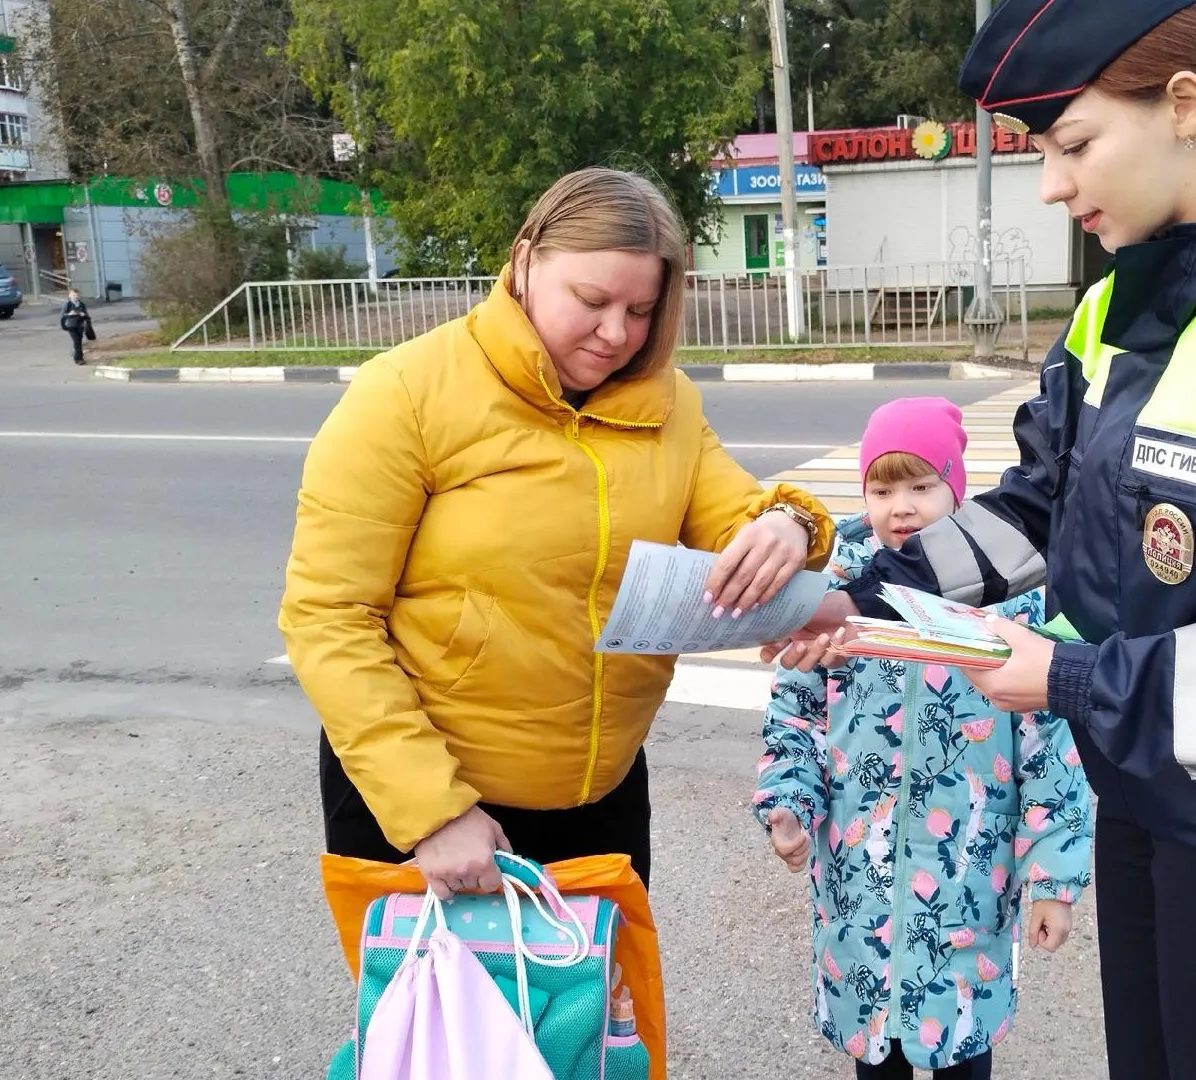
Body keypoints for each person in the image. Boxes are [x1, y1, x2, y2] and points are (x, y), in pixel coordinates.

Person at [750, 2, 1196, 1077]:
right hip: (1139, 788)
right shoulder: (1115, 316)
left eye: (1075, 145)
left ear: (1184, 106)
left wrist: (1075, 682)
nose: (1052, 184)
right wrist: (862, 599)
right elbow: (1034, 513)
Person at [280, 166, 835, 898]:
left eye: (641, 310)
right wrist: (431, 811)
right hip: (436, 812)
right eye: (592, 301)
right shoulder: (407, 393)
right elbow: (329, 614)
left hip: (602, 801)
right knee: (450, 986)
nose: (616, 334)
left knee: (600, 982)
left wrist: (790, 525)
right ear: (524, 262)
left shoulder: (666, 403)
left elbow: (736, 518)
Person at [753, 397, 1092, 1080]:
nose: (900, 507)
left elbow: (1052, 749)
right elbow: (795, 716)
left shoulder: (1012, 603)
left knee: (962, 1047)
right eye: (881, 490)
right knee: (875, 1054)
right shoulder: (834, 595)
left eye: (920, 486)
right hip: (859, 884)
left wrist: (1054, 879)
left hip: (968, 882)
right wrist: (788, 803)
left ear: (957, 492)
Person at [60, 289, 95, 365]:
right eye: (73, 295)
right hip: (71, 326)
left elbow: (87, 315)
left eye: (77, 295)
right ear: (69, 296)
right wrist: (69, 314)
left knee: (79, 341)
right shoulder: (68, 304)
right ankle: (78, 359)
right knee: (76, 341)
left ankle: (79, 356)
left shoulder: (81, 304)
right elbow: (63, 315)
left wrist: (84, 315)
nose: (76, 297)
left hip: (80, 326)